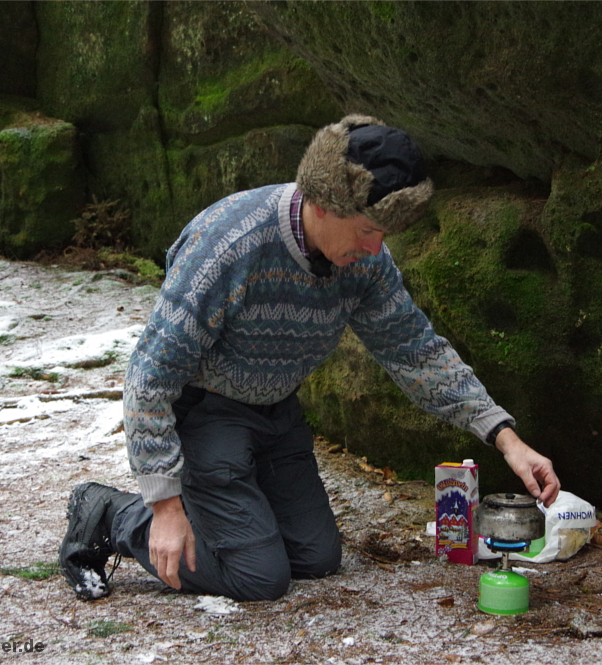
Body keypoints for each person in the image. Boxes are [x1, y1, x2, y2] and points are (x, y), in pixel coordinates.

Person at [59, 114, 560, 603]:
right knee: (259, 576)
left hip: (277, 413)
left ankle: (228, 506)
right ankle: (110, 513)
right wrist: (164, 505)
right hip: (206, 412)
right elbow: (149, 376)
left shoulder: (365, 262)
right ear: (322, 203)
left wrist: (506, 439)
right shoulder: (229, 243)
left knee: (317, 557)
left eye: (384, 233)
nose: (375, 248)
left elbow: (415, 350)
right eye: (367, 229)